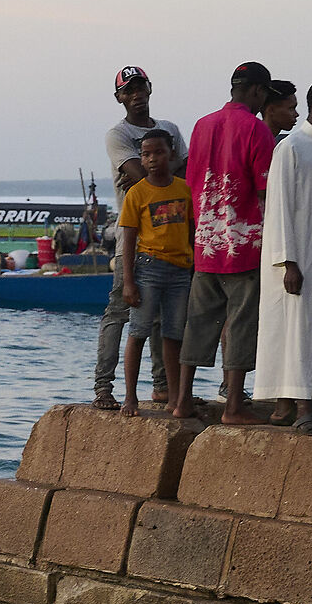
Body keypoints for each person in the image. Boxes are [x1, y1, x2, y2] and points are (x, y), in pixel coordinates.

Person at [185, 61, 278, 426]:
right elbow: (264, 189)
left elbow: (194, 181)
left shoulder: (202, 125)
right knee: (241, 323)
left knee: (198, 322)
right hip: (245, 246)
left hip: (205, 242)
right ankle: (234, 405)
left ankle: (181, 400)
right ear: (256, 91)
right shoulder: (256, 130)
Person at [255, 79, 312, 432]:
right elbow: (279, 207)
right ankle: (302, 406)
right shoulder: (291, 147)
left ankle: (305, 401)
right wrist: (288, 261)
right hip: (297, 259)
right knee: (298, 329)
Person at [93, 66, 184, 411]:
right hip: (132, 238)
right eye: (128, 90)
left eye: (140, 87)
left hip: (170, 239)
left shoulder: (171, 129)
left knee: (164, 317)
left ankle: (162, 386)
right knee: (119, 312)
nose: (136, 94)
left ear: (149, 88)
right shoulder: (117, 135)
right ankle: (104, 387)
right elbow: (140, 176)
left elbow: (182, 176)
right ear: (119, 98)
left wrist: (160, 172)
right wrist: (165, 166)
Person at [118, 129, 194, 418]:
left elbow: (190, 230)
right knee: (138, 331)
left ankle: (175, 398)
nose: (151, 159)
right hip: (148, 268)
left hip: (179, 271)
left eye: (158, 152)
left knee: (174, 335)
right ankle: (130, 397)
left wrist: (193, 264)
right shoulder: (137, 193)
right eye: (146, 154)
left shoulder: (183, 189)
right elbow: (128, 239)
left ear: (171, 154)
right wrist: (128, 281)